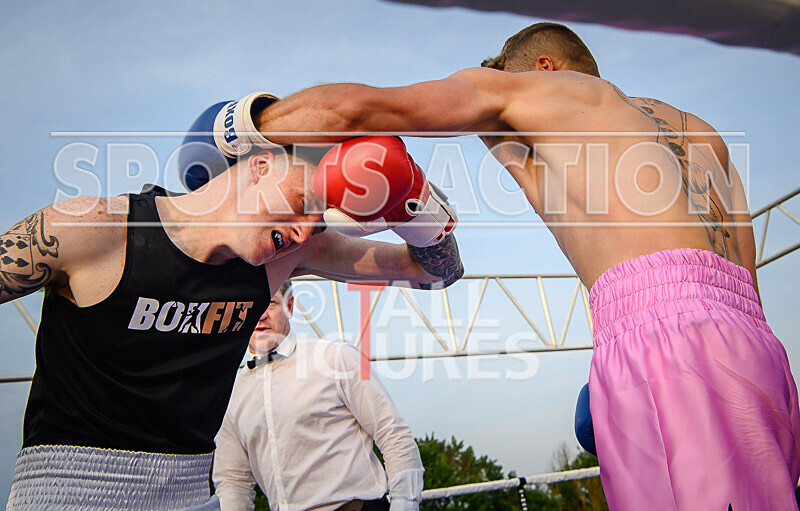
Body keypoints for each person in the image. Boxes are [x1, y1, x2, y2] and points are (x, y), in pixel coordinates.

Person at [215, 22, 800, 510]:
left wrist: (239, 128)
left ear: (543, 68)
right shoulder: (703, 133)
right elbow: (748, 287)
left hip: (663, 348)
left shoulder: (538, 96)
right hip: (758, 353)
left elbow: (347, 108)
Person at [0, 116, 462, 508]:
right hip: (65, 492)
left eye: (317, 223)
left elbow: (435, 274)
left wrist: (416, 208)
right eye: (304, 205)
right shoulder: (93, 229)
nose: (304, 233)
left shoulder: (286, 257)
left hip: (193, 495)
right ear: (259, 164)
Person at [213, 280, 423, 511]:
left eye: (270, 303)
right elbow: (233, 480)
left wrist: (405, 504)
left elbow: (393, 434)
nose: (260, 315)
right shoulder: (230, 393)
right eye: (250, 306)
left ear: (290, 306)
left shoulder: (336, 357)